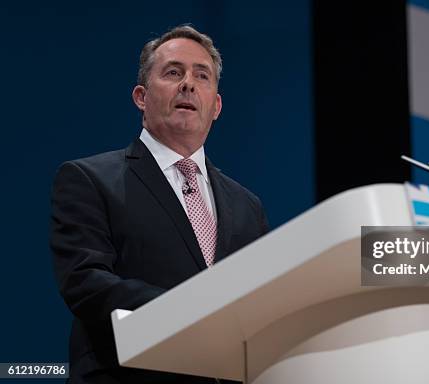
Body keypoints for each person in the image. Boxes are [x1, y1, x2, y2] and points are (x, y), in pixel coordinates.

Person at [50, 25, 268, 383]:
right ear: (141, 96)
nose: (188, 84)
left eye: (202, 75)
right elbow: (85, 283)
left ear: (216, 106)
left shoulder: (246, 205)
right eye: (172, 72)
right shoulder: (88, 179)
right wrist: (189, 310)